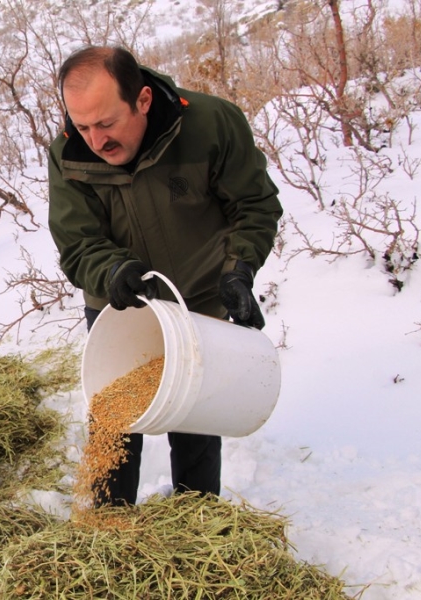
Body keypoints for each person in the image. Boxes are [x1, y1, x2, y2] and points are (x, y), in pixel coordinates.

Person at [48, 46, 283, 506]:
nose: (95, 140)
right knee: (114, 417)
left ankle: (196, 521)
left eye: (107, 123)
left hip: (195, 296)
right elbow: (76, 243)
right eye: (82, 126)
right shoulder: (69, 155)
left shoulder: (211, 125)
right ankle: (107, 526)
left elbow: (253, 205)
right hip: (119, 303)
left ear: (143, 101)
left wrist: (239, 269)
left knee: (195, 415)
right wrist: (112, 268)